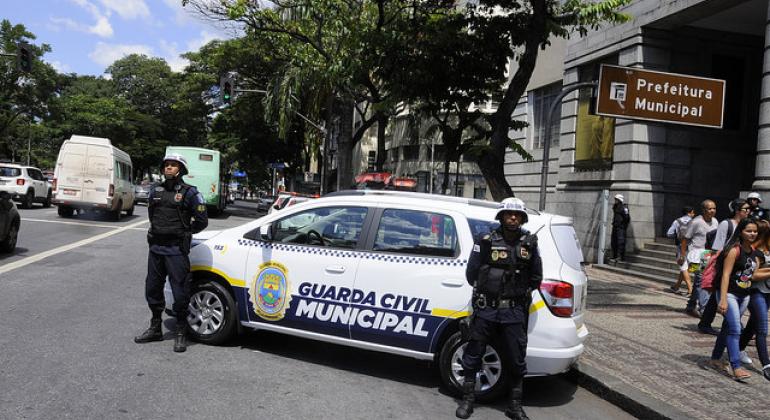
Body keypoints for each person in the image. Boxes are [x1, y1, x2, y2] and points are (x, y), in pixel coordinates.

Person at [456, 197, 542, 420]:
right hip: (487, 308)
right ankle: (467, 400)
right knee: (474, 352)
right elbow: (471, 273)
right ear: (502, 216)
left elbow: (536, 277)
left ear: (522, 218)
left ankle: (514, 406)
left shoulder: (530, 243)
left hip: (514, 311)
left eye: (517, 215)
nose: (512, 218)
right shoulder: (485, 240)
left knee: (516, 357)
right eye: (508, 214)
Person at [134, 154, 208, 353]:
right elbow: (152, 215)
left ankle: (181, 332)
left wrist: (185, 232)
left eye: (173, 165)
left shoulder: (190, 193)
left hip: (176, 250)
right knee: (152, 289)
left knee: (180, 292)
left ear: (181, 170)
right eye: (166, 165)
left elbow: (202, 220)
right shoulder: (155, 190)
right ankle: (155, 328)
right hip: (156, 248)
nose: (168, 168)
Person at [706, 218, 765, 380]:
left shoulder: (754, 254)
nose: (752, 234)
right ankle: (736, 367)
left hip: (744, 295)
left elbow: (752, 275)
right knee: (735, 329)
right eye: (749, 231)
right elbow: (725, 275)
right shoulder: (734, 250)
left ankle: (715, 358)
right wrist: (723, 299)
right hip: (729, 294)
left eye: (754, 231)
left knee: (727, 328)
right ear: (741, 232)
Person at [697, 199, 750, 335]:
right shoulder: (726, 224)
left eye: (749, 209)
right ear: (737, 210)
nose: (748, 212)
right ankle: (737, 327)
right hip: (724, 263)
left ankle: (705, 323)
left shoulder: (746, 225)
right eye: (745, 209)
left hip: (738, 264)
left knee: (718, 295)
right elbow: (717, 247)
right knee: (721, 293)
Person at [737, 219, 770, 379]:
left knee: (753, 324)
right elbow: (754, 275)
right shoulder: (755, 251)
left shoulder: (768, 249)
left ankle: (738, 348)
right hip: (756, 292)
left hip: (768, 292)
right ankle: (766, 364)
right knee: (762, 327)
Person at [681, 199, 718, 318]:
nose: (712, 211)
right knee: (701, 280)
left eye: (714, 208)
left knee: (699, 282)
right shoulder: (696, 222)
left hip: (709, 254)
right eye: (710, 208)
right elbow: (685, 239)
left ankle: (691, 305)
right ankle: (703, 309)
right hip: (696, 254)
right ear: (703, 210)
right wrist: (682, 255)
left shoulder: (716, 222)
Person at [667, 206, 695, 295]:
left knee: (683, 267)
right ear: (689, 213)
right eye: (693, 212)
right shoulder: (695, 222)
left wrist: (677, 236)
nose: (694, 214)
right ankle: (677, 286)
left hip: (681, 247)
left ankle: (690, 289)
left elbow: (669, 233)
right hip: (693, 246)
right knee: (685, 268)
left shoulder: (677, 221)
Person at [610, 194, 630, 262]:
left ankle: (620, 256)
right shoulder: (615, 207)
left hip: (621, 227)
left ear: (619, 200)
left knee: (620, 242)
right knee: (614, 241)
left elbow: (627, 218)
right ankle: (614, 255)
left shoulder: (624, 207)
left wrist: (623, 225)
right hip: (615, 226)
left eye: (616, 199)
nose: (615, 201)